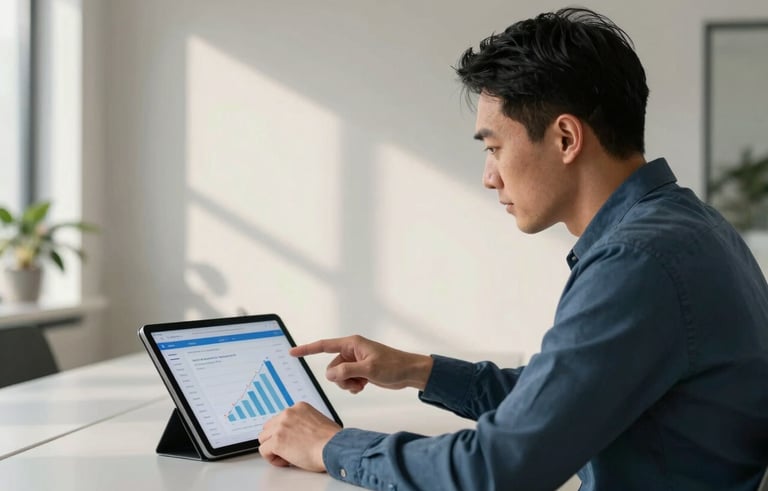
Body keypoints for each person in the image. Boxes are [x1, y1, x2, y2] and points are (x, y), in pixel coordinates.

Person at [257, 7, 768, 490]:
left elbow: (498, 469)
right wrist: (417, 370)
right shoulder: (690, 226)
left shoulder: (636, 261)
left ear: (566, 138)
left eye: (494, 147)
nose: (489, 176)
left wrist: (330, 445)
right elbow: (565, 399)